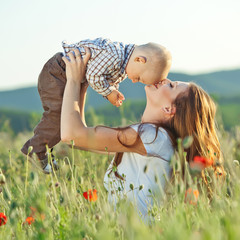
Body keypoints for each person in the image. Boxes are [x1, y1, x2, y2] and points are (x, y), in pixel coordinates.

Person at [60, 48, 223, 220]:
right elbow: (78, 138)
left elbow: (71, 135)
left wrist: (74, 80)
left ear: (169, 109)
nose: (165, 79)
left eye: (172, 85)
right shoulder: (156, 140)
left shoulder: (152, 137)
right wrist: (85, 82)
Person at [21, 37, 172, 173]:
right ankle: (37, 150)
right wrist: (108, 92)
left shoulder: (123, 60)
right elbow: (93, 76)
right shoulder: (116, 57)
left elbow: (76, 138)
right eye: (138, 78)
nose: (134, 81)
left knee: (60, 118)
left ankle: (41, 149)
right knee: (58, 116)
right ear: (140, 59)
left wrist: (101, 88)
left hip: (64, 74)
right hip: (59, 73)